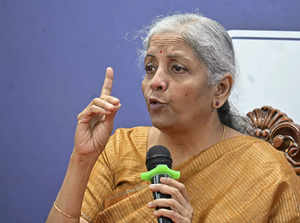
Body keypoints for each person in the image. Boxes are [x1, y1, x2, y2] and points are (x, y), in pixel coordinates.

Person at [46, 13, 300, 223]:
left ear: (220, 90)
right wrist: (82, 159)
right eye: (150, 68)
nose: (155, 82)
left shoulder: (266, 172)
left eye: (177, 68)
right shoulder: (121, 147)